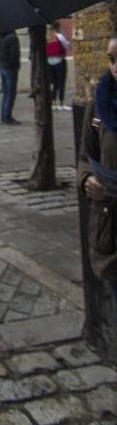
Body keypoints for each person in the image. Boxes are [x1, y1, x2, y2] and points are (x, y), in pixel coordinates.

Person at [77, 34, 117, 301]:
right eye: (112, 59)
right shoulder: (98, 110)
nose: (116, 66)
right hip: (111, 233)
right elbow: (84, 157)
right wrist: (88, 178)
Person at [0, 30, 21, 125]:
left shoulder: (0, 37)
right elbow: (15, 54)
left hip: (2, 66)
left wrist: (3, 61)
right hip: (10, 68)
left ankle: (3, 115)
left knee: (6, 93)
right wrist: (15, 66)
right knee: (11, 93)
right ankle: (7, 116)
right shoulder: (13, 38)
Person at [47, 20, 72, 110]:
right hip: (60, 60)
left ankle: (53, 104)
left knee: (54, 83)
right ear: (58, 27)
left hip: (50, 62)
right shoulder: (60, 36)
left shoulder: (48, 37)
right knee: (61, 82)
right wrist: (64, 36)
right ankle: (61, 103)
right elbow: (68, 46)